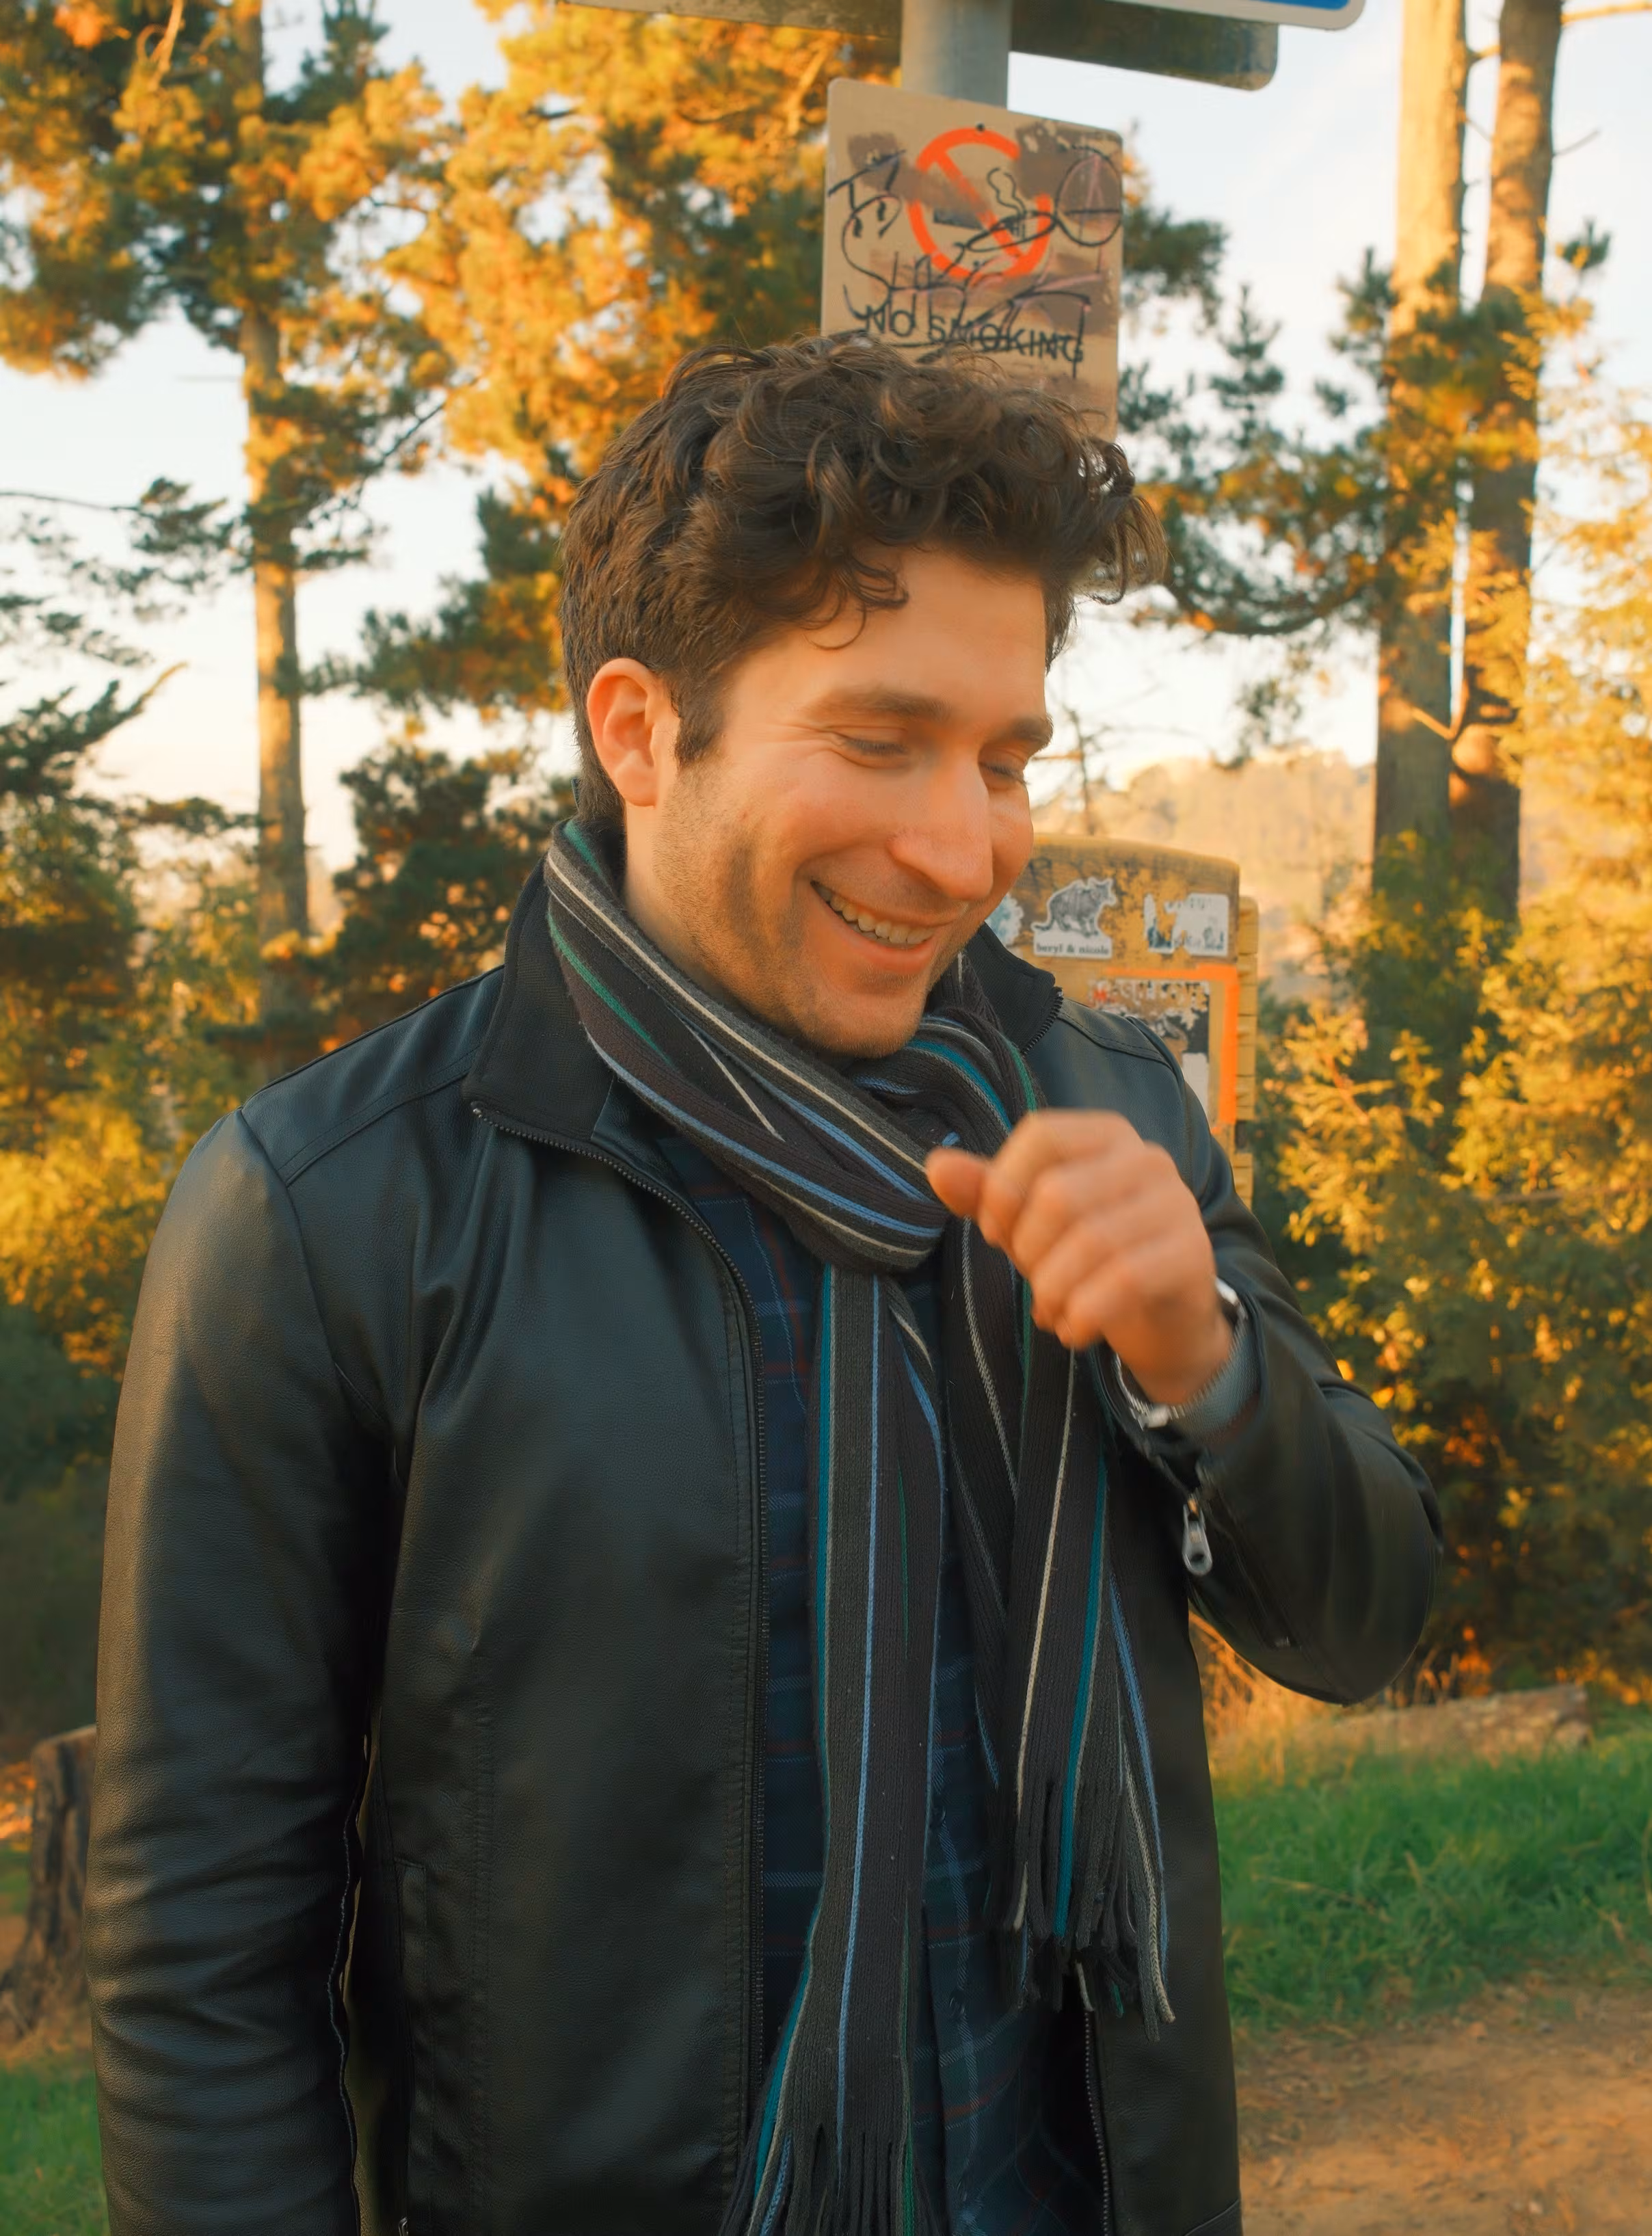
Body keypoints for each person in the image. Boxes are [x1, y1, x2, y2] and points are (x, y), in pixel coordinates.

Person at [85, 335, 1439, 2236]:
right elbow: (199, 1957)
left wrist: (1205, 1364)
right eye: (880, 741)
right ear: (640, 729)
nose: (965, 845)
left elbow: (1366, 1619)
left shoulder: (1106, 1105)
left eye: (1003, 757)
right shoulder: (330, 1210)